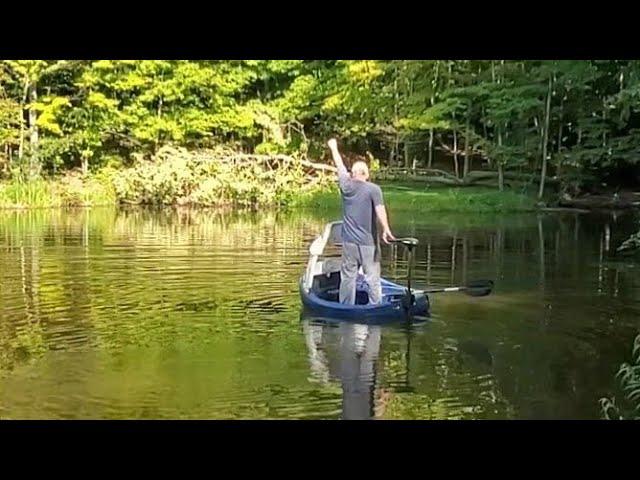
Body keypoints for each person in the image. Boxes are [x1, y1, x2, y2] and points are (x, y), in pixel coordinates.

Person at [327, 138, 395, 305]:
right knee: (373, 279)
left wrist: (334, 147)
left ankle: (345, 307)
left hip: (349, 244)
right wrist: (386, 229)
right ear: (367, 174)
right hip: (368, 244)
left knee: (348, 278)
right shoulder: (374, 189)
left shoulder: (346, 185)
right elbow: (380, 209)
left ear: (353, 173)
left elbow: (339, 166)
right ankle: (375, 307)